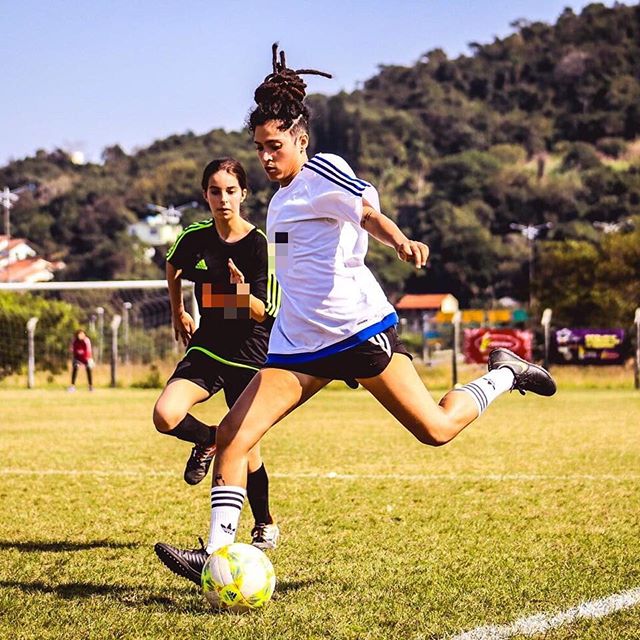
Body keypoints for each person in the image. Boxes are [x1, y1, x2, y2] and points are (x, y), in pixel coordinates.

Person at [155, 45, 556, 584]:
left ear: (300, 138)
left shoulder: (323, 170)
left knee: (435, 429)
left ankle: (506, 371)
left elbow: (367, 212)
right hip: (297, 346)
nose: (267, 158)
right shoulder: (277, 199)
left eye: (275, 146)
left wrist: (400, 239)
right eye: (260, 148)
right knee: (232, 435)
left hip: (356, 334)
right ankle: (216, 554)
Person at [153, 158, 282, 576]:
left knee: (247, 449)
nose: (222, 198)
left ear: (244, 194)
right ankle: (208, 439)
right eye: (214, 191)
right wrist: (178, 312)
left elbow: (268, 313)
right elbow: (173, 266)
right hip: (208, 346)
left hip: (249, 351)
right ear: (205, 195)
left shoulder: (260, 244)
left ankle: (264, 522)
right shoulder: (196, 237)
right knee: (165, 414)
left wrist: (240, 291)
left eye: (230, 190)